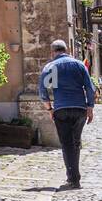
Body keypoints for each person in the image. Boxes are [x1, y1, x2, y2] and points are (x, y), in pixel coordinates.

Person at [38, 39, 95, 190]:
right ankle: (74, 178)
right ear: (67, 49)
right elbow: (89, 88)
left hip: (61, 109)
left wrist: (50, 109)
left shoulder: (52, 67)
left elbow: (44, 91)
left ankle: (73, 178)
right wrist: (90, 107)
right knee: (75, 142)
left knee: (67, 143)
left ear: (52, 52)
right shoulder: (78, 65)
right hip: (79, 108)